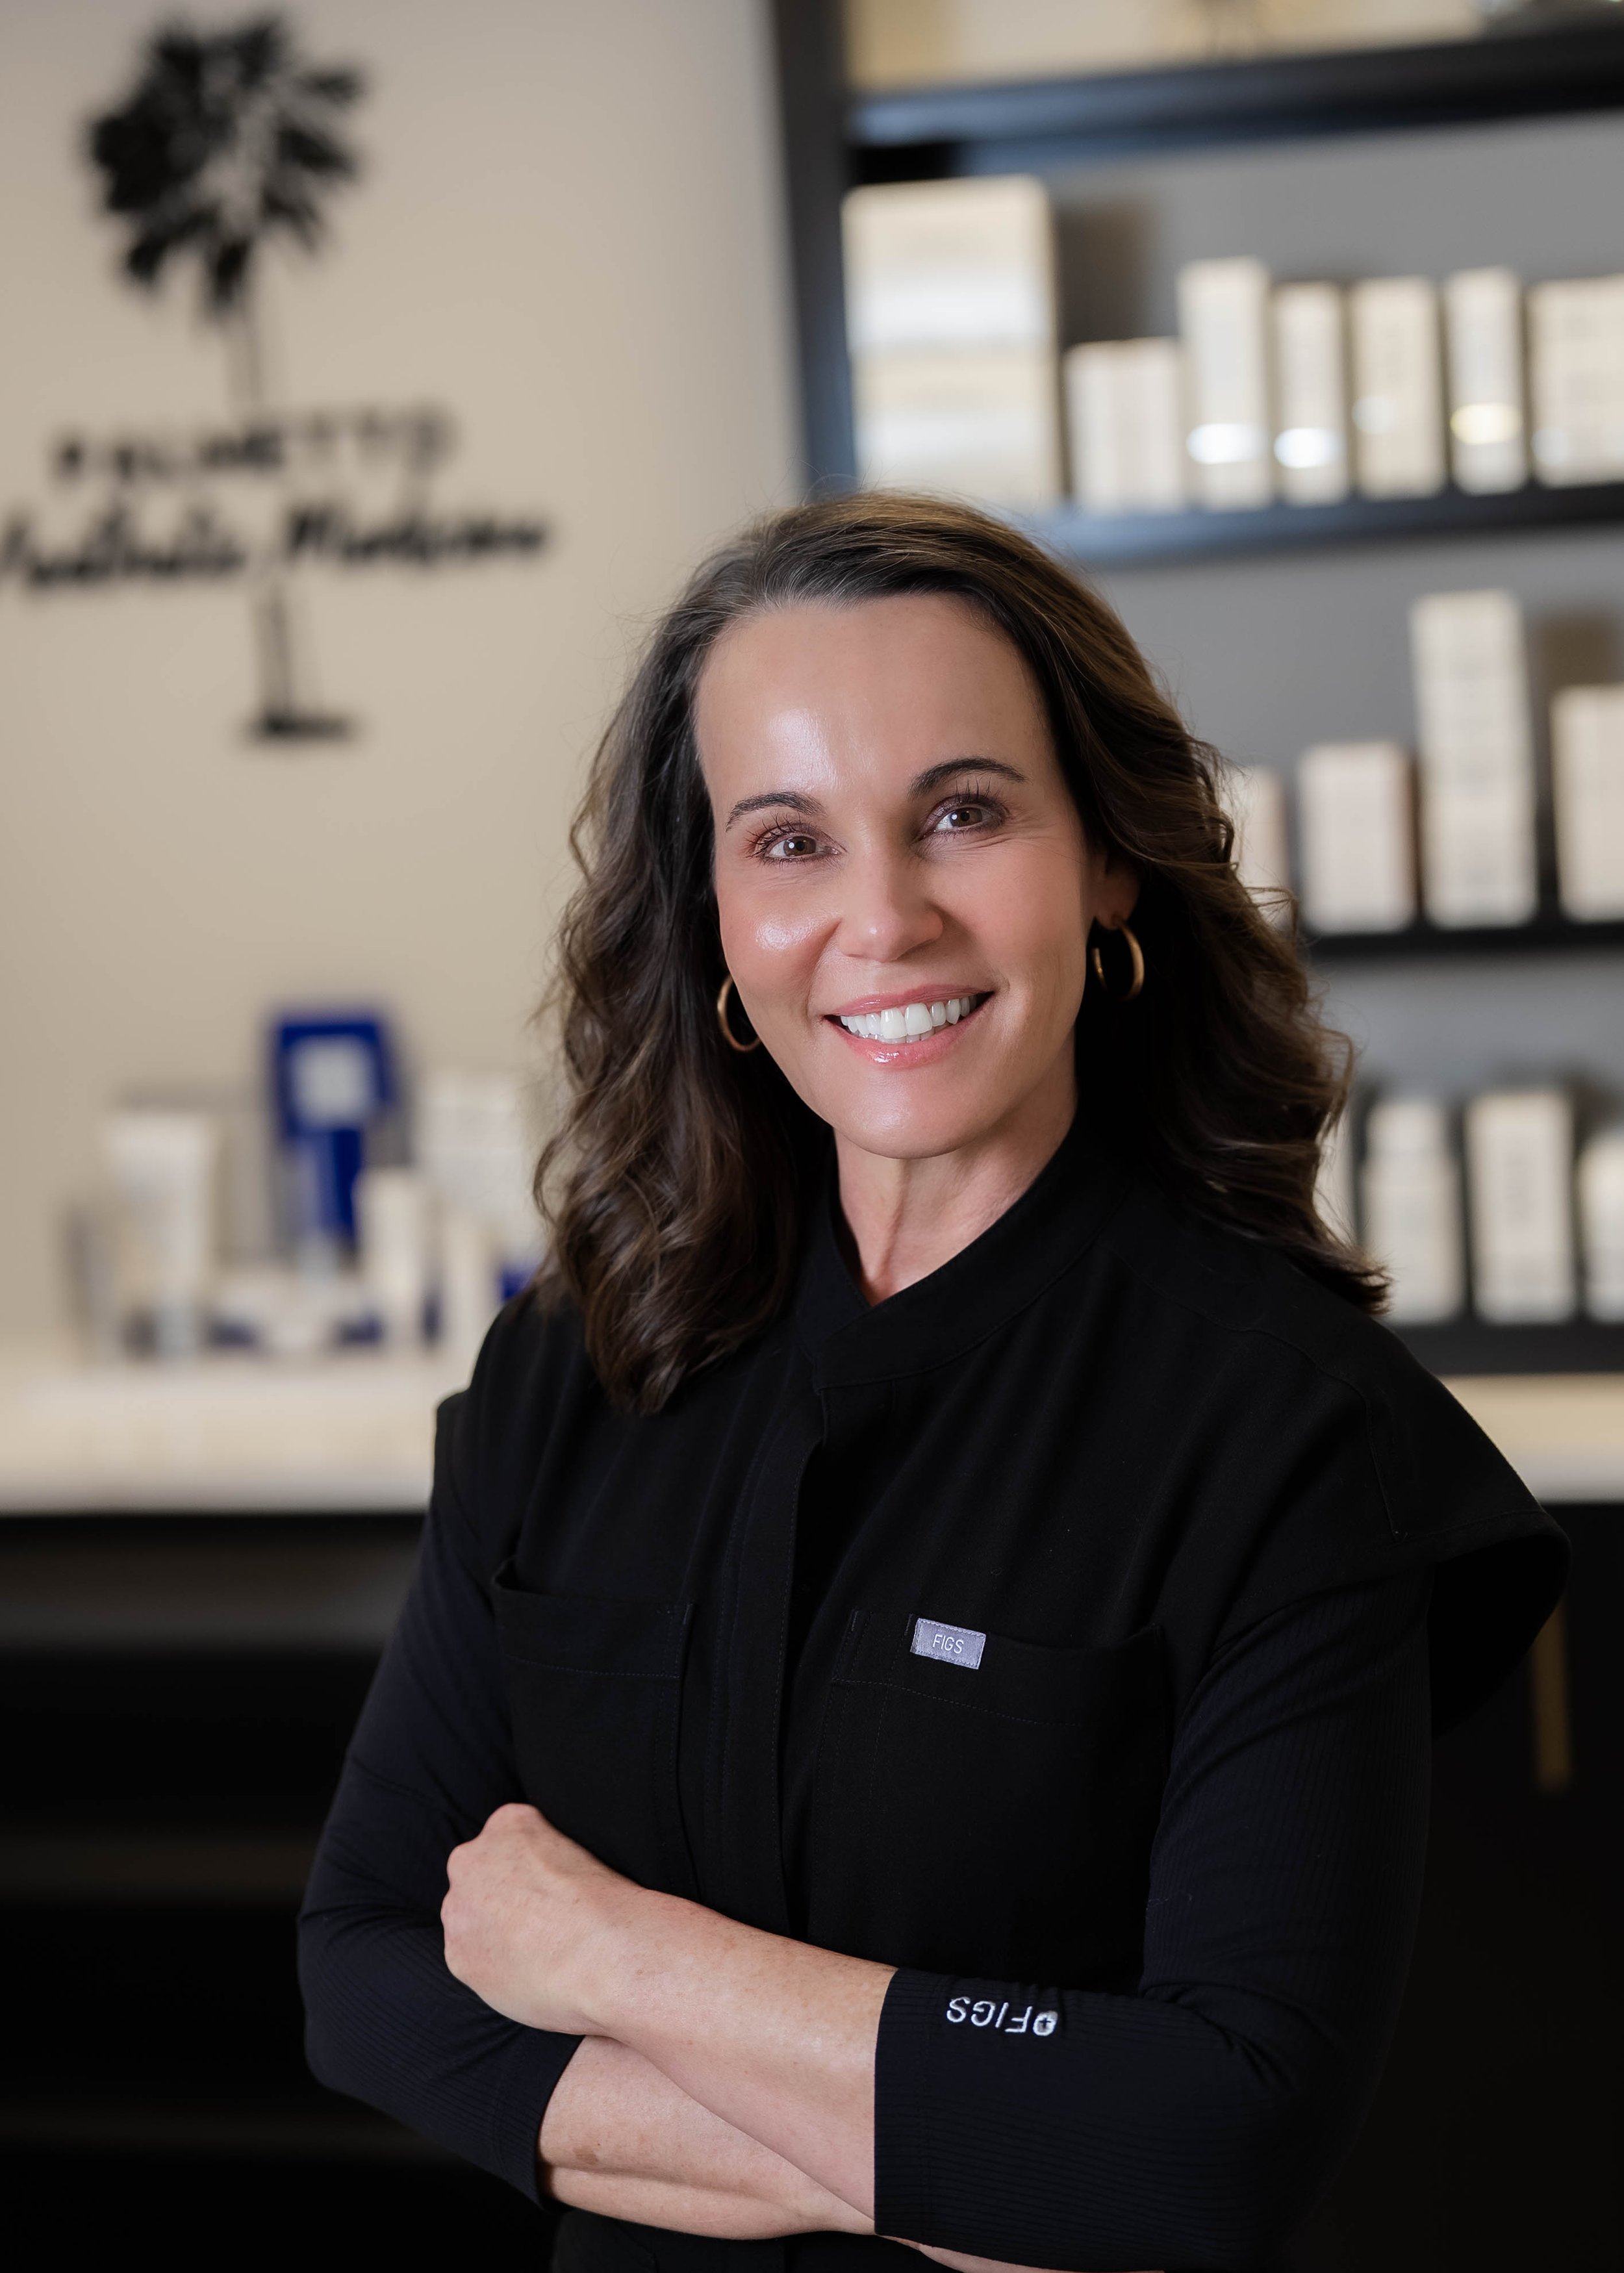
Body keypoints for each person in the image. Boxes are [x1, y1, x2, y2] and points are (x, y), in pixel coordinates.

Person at [298, 495, 1566, 2273]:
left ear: (1107, 860)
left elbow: (1208, 2148)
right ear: (716, 908)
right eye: (789, 840)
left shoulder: (1289, 1435)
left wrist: (613, 1964)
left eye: (961, 812)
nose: (881, 918)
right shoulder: (570, 1363)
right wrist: (986, 2171)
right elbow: (361, 1974)